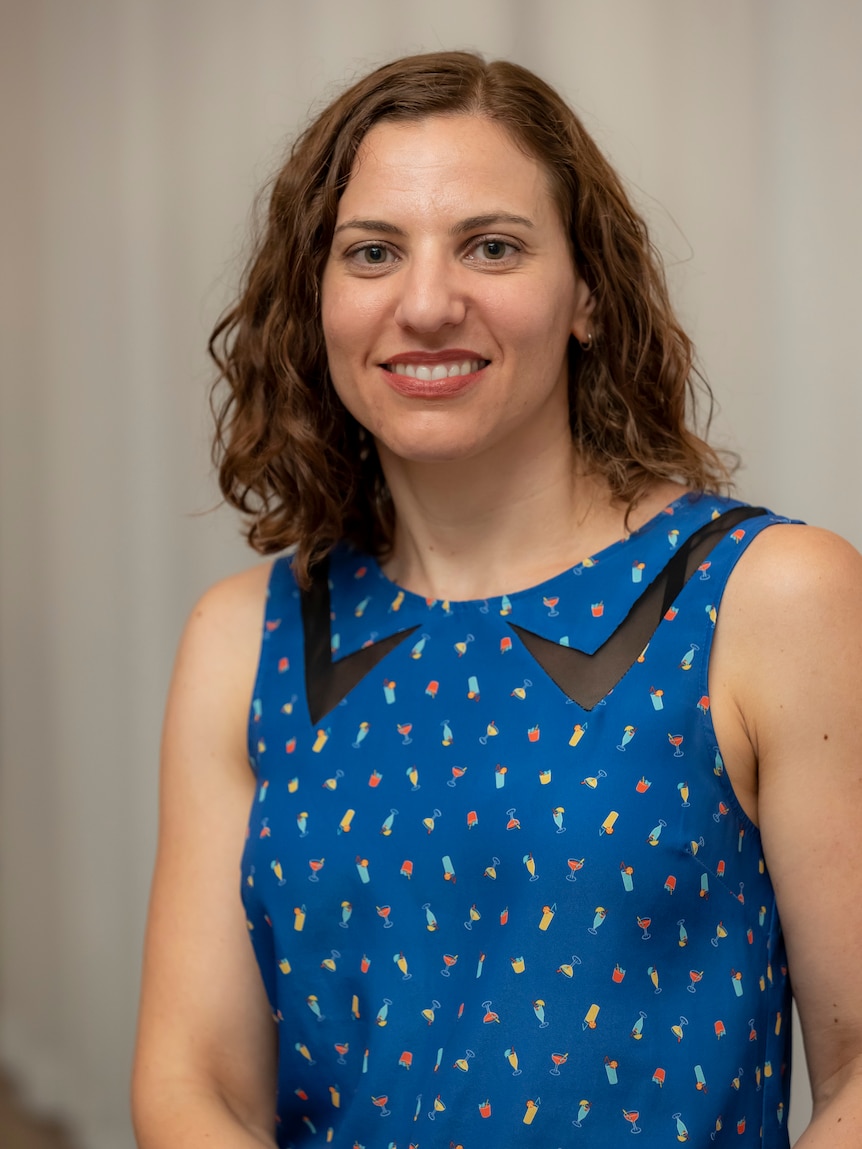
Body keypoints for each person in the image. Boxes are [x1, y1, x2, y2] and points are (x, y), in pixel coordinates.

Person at [131, 51, 862, 1149]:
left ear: (588, 297)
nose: (427, 304)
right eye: (372, 252)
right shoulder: (242, 640)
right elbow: (195, 1088)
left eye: (492, 247)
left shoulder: (772, 596)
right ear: (316, 300)